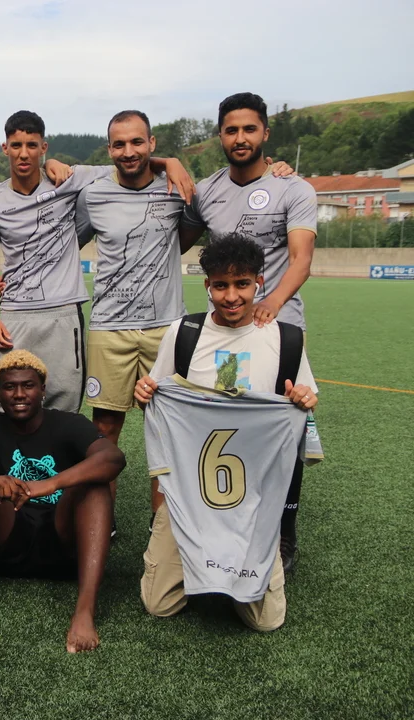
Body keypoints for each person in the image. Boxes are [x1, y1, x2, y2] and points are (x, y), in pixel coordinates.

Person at [134, 234, 318, 630]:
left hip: (253, 499)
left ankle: (235, 568)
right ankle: (201, 564)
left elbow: (304, 407)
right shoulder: (184, 333)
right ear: (207, 286)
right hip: (188, 493)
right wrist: (145, 395)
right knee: (158, 604)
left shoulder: (286, 340)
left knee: (266, 621)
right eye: (220, 285)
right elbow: (156, 402)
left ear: (259, 283)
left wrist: (303, 400)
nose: (231, 296)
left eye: (242, 284)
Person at [178, 92, 318, 570]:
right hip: (227, 336)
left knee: (284, 430)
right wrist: (164, 160)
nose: (240, 138)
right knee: (230, 420)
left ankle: (284, 532)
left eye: (249, 129)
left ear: (265, 134)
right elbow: (177, 240)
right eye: (231, 130)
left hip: (280, 331)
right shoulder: (206, 191)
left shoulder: (292, 188)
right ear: (220, 135)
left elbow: (301, 258)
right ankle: (226, 517)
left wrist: (271, 303)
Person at [0, 110, 193, 418]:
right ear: (5, 148)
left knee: (63, 407)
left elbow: (127, 163)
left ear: (44, 147)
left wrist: (169, 162)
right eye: (16, 145)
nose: (24, 153)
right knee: (2, 404)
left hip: (65, 315)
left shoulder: (71, 180)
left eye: (32, 145)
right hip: (15, 314)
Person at [0, 350, 125, 651]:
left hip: (65, 544)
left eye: (28, 385)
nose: (19, 394)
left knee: (95, 485)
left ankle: (85, 611)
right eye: (9, 387)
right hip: (7, 542)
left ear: (43, 389)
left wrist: (50, 484)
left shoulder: (68, 424)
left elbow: (113, 458)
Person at [74, 110, 187, 525]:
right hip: (109, 329)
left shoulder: (175, 189)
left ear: (152, 144)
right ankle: (102, 524)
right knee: (104, 430)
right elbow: (65, 243)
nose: (128, 151)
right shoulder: (93, 195)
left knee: (167, 430)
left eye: (137, 142)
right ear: (109, 149)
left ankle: (163, 525)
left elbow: (191, 231)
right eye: (119, 144)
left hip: (165, 328)